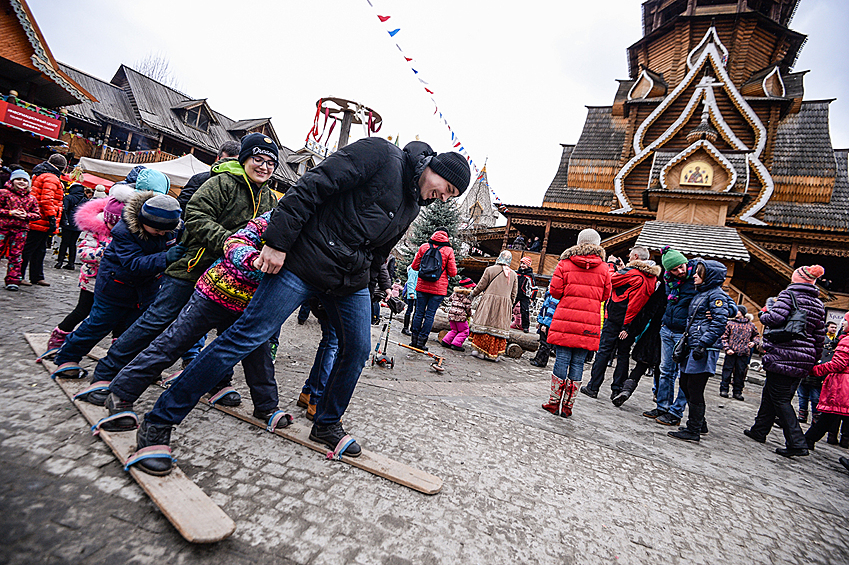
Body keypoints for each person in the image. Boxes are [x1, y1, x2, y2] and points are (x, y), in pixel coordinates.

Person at [125, 138, 469, 475]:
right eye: (447, 187)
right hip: (303, 263)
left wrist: (373, 290)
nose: (443, 197)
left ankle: (327, 423)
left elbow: (380, 252)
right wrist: (276, 243)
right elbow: (311, 186)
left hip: (348, 280)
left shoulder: (412, 204)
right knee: (245, 336)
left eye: (451, 196)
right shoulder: (381, 155)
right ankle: (160, 421)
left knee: (358, 348)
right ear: (435, 167)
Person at [80, 133, 278, 405]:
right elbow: (195, 216)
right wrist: (232, 244)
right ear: (245, 159)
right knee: (157, 321)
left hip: (233, 278)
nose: (264, 167)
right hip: (193, 266)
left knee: (229, 331)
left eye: (270, 163)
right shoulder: (220, 183)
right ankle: (106, 373)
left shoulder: (269, 197)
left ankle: (217, 383)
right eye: (258, 159)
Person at [97, 212, 281, 436]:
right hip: (216, 291)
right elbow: (235, 241)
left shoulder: (315, 231)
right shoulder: (279, 215)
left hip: (253, 304)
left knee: (258, 353)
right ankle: (121, 394)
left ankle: (266, 406)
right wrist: (255, 260)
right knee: (174, 341)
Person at [50, 192, 184, 377]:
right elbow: (133, 264)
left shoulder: (172, 229)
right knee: (97, 326)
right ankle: (67, 357)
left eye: (165, 231)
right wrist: (165, 257)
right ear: (142, 220)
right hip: (114, 289)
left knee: (132, 332)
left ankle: (123, 364)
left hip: (145, 292)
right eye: (157, 230)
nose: (162, 234)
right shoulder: (124, 232)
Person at [744, 265, 827, 457]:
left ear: (796, 278)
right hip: (804, 358)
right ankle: (759, 430)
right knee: (771, 393)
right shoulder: (818, 304)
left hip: (784, 353)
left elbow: (775, 318)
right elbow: (819, 336)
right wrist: (813, 360)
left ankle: (797, 442)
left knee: (780, 399)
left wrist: (764, 313)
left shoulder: (788, 295)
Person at [542, 228, 611, 417]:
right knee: (579, 363)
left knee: (562, 359)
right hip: (589, 321)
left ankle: (554, 402)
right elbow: (606, 295)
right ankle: (568, 406)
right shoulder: (605, 269)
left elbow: (555, 291)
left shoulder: (564, 263)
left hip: (566, 318)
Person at [583, 246, 659, 399]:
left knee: (604, 352)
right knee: (623, 355)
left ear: (636, 256)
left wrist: (610, 265)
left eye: (630, 256)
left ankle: (593, 386)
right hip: (633, 324)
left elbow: (610, 279)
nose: (629, 258)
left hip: (617, 320)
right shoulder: (651, 277)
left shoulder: (633, 273)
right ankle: (617, 389)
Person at [667, 259, 731, 443]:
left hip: (703, 348)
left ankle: (693, 429)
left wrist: (703, 343)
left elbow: (720, 322)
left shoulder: (716, 296)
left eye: (698, 273)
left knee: (695, 388)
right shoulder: (702, 293)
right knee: (686, 384)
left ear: (708, 276)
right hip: (694, 345)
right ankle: (700, 423)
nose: (694, 275)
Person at [45, 191, 117, 351]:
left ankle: (117, 348)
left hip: (113, 282)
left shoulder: (125, 235)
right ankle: (58, 337)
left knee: (118, 317)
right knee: (82, 310)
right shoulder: (95, 230)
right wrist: (102, 254)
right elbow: (83, 252)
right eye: (112, 223)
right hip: (91, 280)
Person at [643, 246, 697, 427]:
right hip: (668, 328)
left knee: (684, 374)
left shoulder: (697, 277)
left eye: (681, 266)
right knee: (665, 370)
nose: (680, 271)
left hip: (685, 332)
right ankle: (662, 406)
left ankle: (676, 411)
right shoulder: (668, 280)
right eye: (675, 269)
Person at [612, 282, 667, 407]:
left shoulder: (664, 288)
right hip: (663, 333)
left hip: (654, 333)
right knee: (661, 369)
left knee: (642, 365)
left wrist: (633, 330)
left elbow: (649, 311)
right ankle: (659, 397)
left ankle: (626, 390)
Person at [20, 153, 66, 287]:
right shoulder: (51, 178)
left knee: (39, 249)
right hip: (42, 219)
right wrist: (52, 217)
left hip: (40, 218)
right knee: (29, 249)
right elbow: (47, 200)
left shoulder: (42, 174)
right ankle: (19, 274)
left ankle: (36, 276)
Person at [804, 312, 849, 451]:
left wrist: (815, 370)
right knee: (831, 415)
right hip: (843, 384)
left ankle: (808, 440)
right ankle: (809, 439)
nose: (842, 323)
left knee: (829, 415)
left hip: (842, 384)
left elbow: (838, 364)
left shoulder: (847, 341)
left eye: (845, 320)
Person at [410, 228, 457, 350]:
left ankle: (413, 340)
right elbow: (453, 273)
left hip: (422, 286)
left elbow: (414, 267)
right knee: (430, 315)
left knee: (418, 313)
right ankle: (421, 343)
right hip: (438, 289)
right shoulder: (448, 250)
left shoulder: (424, 247)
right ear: (447, 236)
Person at [469, 250, 518, 361]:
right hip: (504, 304)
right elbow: (514, 294)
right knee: (498, 327)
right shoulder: (514, 275)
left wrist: (473, 294)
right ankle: (493, 353)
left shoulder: (489, 270)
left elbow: (481, 285)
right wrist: (509, 304)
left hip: (489, 301)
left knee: (484, 323)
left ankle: (479, 351)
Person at [0, 169, 41, 291]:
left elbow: (37, 214)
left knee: (16, 255)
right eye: (18, 179)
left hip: (21, 229)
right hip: (2, 227)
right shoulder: (3, 193)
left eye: (24, 180)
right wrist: (10, 213)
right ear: (12, 181)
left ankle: (13, 279)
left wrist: (27, 216)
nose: (21, 182)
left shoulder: (31, 198)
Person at [176, 141, 241, 215]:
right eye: (226, 161)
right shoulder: (199, 180)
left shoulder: (244, 185)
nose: (230, 165)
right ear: (218, 159)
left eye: (234, 162)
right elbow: (182, 205)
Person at [719, 304, 759, 401]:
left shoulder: (751, 325)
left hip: (744, 353)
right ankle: (724, 389)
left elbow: (757, 336)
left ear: (743, 313)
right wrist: (727, 348)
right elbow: (724, 337)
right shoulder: (730, 324)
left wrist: (753, 343)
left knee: (740, 373)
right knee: (727, 371)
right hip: (731, 352)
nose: (736, 312)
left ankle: (737, 391)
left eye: (738, 311)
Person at [55, 182, 88, 269]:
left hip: (68, 223)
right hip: (78, 224)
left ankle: (60, 261)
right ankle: (71, 263)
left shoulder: (69, 197)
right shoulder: (85, 199)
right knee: (73, 243)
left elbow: (64, 210)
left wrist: (62, 221)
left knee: (64, 243)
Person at [441, 277, 475, 351]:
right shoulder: (467, 296)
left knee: (454, 329)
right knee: (465, 331)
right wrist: (469, 314)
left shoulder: (455, 293)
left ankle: (446, 341)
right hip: (460, 316)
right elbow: (468, 307)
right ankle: (456, 344)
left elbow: (450, 299)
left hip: (451, 314)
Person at [529, 290, 558, 368]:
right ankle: (537, 358)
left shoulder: (554, 298)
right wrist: (540, 321)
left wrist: (545, 324)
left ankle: (541, 361)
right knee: (542, 342)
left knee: (545, 343)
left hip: (548, 323)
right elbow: (543, 310)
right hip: (544, 321)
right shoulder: (550, 296)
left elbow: (550, 312)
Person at [515, 256, 535, 333]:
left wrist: (532, 298)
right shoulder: (517, 273)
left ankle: (525, 326)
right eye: (522, 263)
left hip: (525, 295)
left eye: (524, 264)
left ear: (528, 265)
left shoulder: (530, 275)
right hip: (516, 293)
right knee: (509, 307)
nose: (522, 265)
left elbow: (534, 288)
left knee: (524, 310)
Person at [401, 265, 418, 336]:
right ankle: (405, 328)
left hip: (418, 293)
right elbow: (410, 282)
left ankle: (413, 327)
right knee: (409, 310)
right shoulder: (413, 269)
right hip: (412, 293)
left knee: (416, 311)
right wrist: (411, 292)